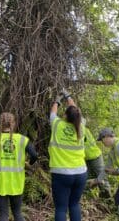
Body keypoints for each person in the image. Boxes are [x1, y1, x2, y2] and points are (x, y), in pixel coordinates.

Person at [0, 112, 38, 221]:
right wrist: (28, 164)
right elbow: (34, 155)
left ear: (0, 124)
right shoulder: (22, 139)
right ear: (13, 123)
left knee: (3, 215)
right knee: (17, 213)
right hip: (16, 182)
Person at [49, 90, 87, 221]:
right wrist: (69, 96)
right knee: (74, 205)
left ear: (64, 115)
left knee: (61, 208)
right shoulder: (81, 126)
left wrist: (57, 100)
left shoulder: (57, 124)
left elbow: (53, 112)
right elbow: (76, 111)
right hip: (81, 173)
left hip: (61, 173)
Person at [83, 122, 111, 198]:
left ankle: (107, 198)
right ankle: (87, 196)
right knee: (85, 177)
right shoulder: (82, 129)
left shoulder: (82, 130)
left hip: (95, 156)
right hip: (85, 158)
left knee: (102, 176)